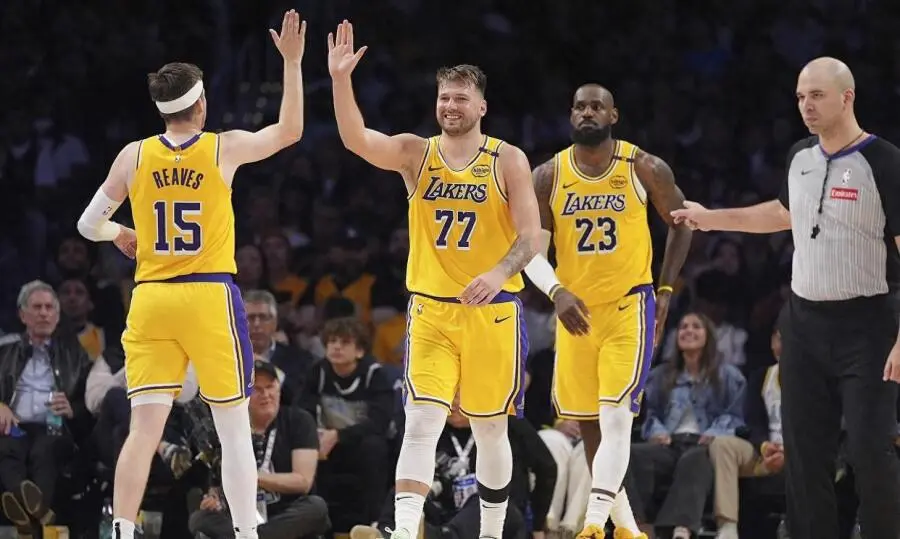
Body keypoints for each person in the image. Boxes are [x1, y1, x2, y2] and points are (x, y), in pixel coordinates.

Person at [75, 10, 307, 539]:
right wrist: (292, 63)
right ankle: (246, 533)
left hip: (151, 298)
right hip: (207, 295)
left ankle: (122, 530)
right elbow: (290, 130)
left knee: (143, 431)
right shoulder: (223, 146)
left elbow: (88, 225)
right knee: (233, 429)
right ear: (201, 103)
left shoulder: (133, 155)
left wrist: (122, 233)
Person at [328, 20, 541, 539]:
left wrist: (499, 272)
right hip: (431, 309)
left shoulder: (508, 159)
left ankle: (491, 533)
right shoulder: (416, 153)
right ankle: (405, 531)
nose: (450, 106)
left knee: (490, 427)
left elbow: (533, 237)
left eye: (461, 98)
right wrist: (340, 80)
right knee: (422, 421)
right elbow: (356, 139)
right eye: (444, 97)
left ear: (482, 106)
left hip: (493, 311)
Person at [671, 56, 900, 539]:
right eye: (800, 96)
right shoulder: (800, 156)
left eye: (816, 95)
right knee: (805, 453)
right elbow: (780, 214)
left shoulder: (885, 161)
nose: (805, 105)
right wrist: (710, 218)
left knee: (869, 450)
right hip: (804, 323)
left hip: (870, 324)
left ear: (847, 97)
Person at [523, 84, 692, 539]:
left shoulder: (643, 166)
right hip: (575, 312)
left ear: (613, 115)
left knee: (616, 415)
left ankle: (594, 522)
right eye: (580, 106)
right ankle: (628, 528)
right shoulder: (548, 175)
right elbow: (531, 250)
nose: (587, 113)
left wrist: (666, 289)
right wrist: (556, 292)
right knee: (589, 424)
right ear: (570, 115)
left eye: (597, 106)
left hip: (628, 305)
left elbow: (682, 225)